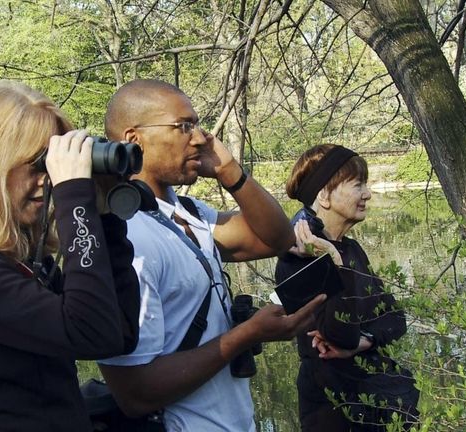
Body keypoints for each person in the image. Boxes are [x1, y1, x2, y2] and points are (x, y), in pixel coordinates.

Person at [0, 81, 141, 431]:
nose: (48, 180)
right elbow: (89, 332)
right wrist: (74, 198)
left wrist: (104, 213)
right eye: (38, 163)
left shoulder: (22, 262)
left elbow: (117, 335)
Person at [97, 79, 325, 431]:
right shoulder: (125, 237)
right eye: (183, 126)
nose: (201, 137)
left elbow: (277, 238)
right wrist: (247, 334)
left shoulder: (189, 212)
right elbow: (134, 392)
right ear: (133, 140)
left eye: (198, 124)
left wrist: (228, 171)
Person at [276, 144, 419, 431]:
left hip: (375, 397)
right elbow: (337, 334)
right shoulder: (298, 258)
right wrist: (334, 261)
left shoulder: (351, 249)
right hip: (334, 409)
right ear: (324, 196)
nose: (367, 193)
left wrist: (362, 342)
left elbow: (395, 320)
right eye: (357, 185)